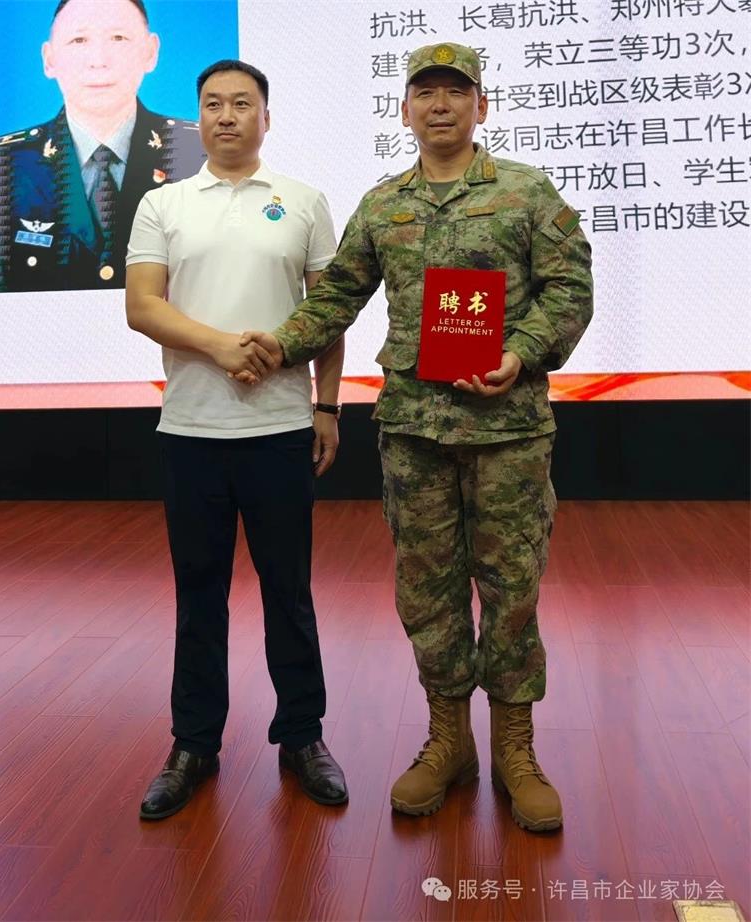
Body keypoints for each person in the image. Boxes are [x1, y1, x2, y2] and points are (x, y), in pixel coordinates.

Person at [241, 42, 593, 831]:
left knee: (511, 591)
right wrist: (279, 343)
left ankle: (516, 749)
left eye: (456, 92)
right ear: (404, 110)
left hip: (508, 432)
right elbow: (337, 297)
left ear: (481, 106)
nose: (440, 105)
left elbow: (570, 289)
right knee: (428, 592)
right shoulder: (381, 206)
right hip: (414, 433)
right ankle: (449, 742)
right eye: (425, 93)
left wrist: (519, 352)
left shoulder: (526, 193)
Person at [125, 59, 348, 820]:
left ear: (266, 117)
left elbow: (328, 314)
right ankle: (193, 743)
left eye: (242, 104)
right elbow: (143, 306)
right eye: (214, 104)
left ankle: (303, 737)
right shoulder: (163, 203)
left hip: (280, 429)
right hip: (191, 431)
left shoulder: (303, 201)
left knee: (290, 593)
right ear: (198, 119)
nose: (226, 116)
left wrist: (328, 406)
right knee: (199, 596)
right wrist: (223, 346)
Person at [0, 0, 206, 293]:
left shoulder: (200, 153)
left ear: (150, 52)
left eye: (118, 38)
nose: (98, 60)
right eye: (79, 40)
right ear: (49, 60)